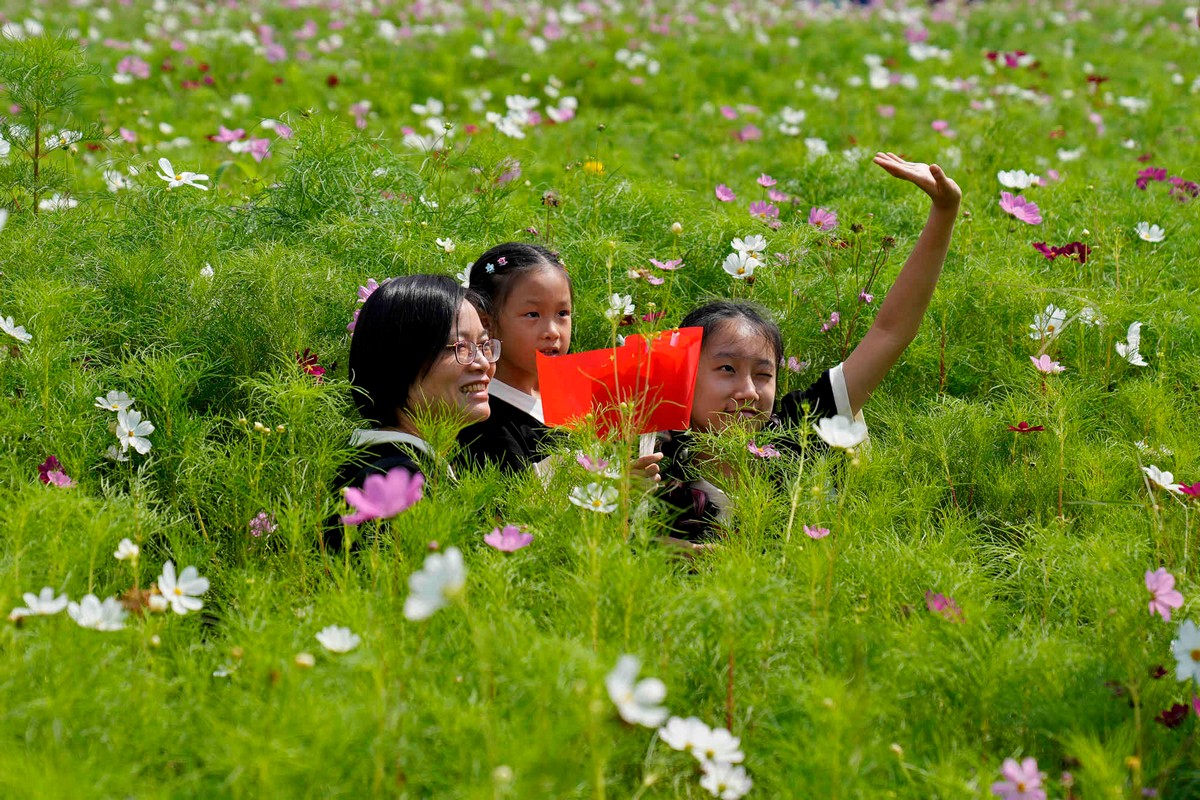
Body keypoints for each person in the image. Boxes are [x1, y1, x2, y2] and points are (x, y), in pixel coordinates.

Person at [659, 152, 961, 541]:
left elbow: (890, 332)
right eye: (727, 369)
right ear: (684, 373)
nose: (749, 391)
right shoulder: (654, 461)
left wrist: (945, 211)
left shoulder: (797, 434)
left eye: (764, 374)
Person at [457, 242, 662, 480]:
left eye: (562, 313)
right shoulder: (482, 419)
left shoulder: (576, 394)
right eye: (533, 314)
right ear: (486, 323)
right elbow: (513, 511)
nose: (553, 331)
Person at [331, 274, 498, 547]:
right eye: (460, 347)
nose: (483, 363)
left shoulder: (403, 463)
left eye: (483, 345)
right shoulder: (392, 480)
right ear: (400, 360)